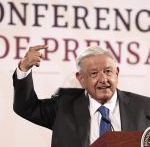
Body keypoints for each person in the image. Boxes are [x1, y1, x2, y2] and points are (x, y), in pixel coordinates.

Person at [13, 45, 150, 147]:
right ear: (81, 79)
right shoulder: (63, 108)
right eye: (94, 73)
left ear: (117, 73)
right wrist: (23, 69)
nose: (103, 79)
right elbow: (26, 107)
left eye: (108, 71)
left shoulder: (144, 107)